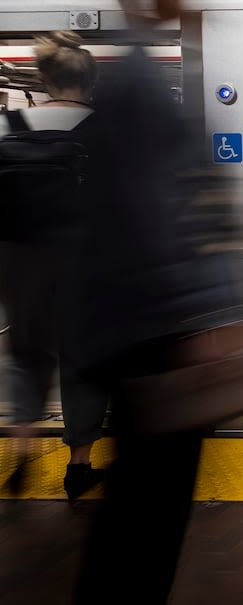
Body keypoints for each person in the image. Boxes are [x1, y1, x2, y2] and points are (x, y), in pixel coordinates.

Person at [50, 0, 243, 604]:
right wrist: (201, 323)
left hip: (141, 339)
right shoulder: (141, 87)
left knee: (141, 516)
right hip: (155, 347)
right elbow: (155, 219)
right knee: (145, 519)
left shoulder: (138, 78)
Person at [0, 32, 110, 499]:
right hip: (85, 263)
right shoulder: (105, 129)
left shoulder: (7, 127)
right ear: (91, 80)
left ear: (44, 79)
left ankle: (22, 450)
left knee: (28, 357)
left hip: (20, 262)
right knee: (82, 362)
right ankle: (78, 465)